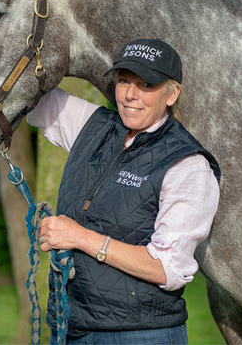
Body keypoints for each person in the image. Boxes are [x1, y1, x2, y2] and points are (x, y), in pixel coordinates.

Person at [26, 38, 221, 345]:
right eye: (124, 81)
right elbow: (23, 91)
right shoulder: (93, 125)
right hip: (69, 328)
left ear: (172, 94)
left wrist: (79, 237)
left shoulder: (188, 165)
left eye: (146, 85)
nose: (130, 95)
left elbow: (167, 268)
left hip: (140, 335)